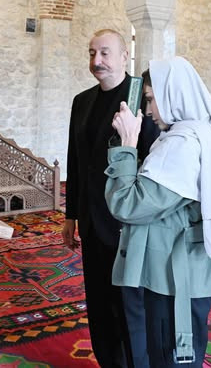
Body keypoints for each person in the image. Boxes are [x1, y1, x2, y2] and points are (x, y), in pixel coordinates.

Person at [104, 56, 211, 367]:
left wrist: (127, 144)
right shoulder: (197, 134)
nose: (149, 110)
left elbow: (128, 205)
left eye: (151, 99)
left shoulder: (182, 145)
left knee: (169, 358)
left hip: (172, 277)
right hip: (180, 270)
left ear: (173, 95)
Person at [63, 29, 159, 367]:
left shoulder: (139, 97)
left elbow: (151, 161)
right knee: (99, 304)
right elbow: (76, 161)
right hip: (92, 221)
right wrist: (71, 214)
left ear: (124, 57)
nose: (97, 60)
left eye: (105, 52)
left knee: (129, 307)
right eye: (92, 53)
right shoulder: (82, 101)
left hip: (126, 223)